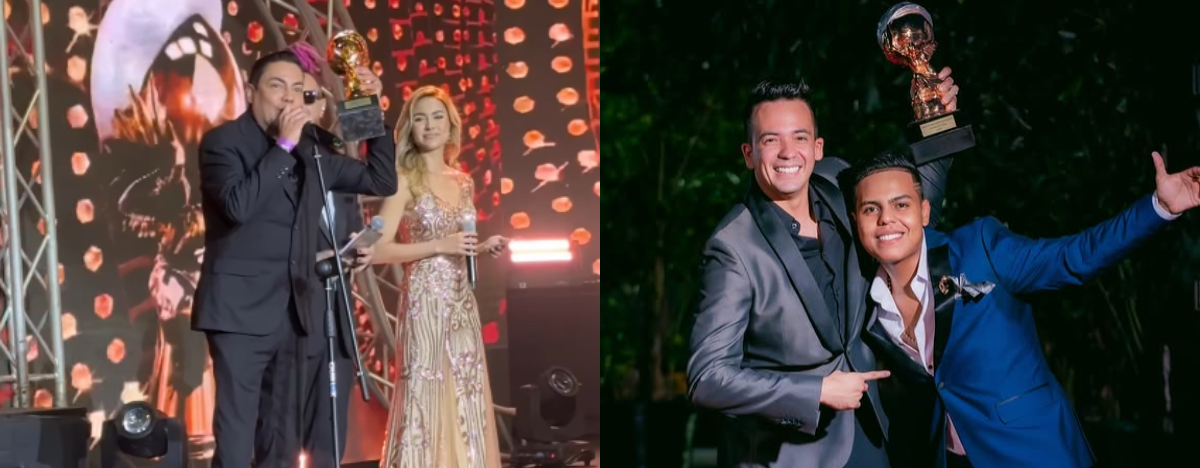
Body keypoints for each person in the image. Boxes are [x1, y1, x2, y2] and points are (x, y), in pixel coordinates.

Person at [849, 151, 1200, 468]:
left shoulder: (979, 248)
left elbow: (1072, 258)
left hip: (1034, 452)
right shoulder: (870, 308)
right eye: (871, 209)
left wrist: (1160, 208)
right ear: (856, 219)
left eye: (901, 205)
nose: (886, 219)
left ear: (924, 211)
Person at [686, 71, 957, 468]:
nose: (786, 152)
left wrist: (938, 121)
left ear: (817, 147)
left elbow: (908, 210)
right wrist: (813, 390)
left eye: (798, 138)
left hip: (875, 439)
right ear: (749, 154)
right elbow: (707, 378)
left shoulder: (837, 180)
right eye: (770, 140)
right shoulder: (732, 248)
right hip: (789, 456)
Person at [192, 49, 397, 468]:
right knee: (236, 434)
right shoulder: (223, 142)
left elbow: (378, 178)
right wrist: (283, 145)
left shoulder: (314, 149)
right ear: (252, 93)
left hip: (298, 311)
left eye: (298, 89)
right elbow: (237, 206)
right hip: (240, 314)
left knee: (282, 436)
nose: (289, 98)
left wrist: (365, 105)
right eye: (277, 86)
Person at [252, 41, 378, 468]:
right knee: (278, 437)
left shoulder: (332, 158)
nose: (303, 106)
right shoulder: (268, 158)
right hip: (285, 320)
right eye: (295, 96)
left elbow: (377, 171)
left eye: (313, 97)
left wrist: (364, 95)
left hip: (332, 316)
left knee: (329, 437)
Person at [371, 85, 507, 468]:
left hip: (462, 303)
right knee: (424, 393)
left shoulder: (463, 181)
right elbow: (378, 250)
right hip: (424, 305)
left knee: (465, 393)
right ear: (409, 128)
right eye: (419, 117)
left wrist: (480, 247)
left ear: (451, 127)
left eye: (436, 117)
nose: (428, 125)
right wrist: (439, 246)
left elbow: (458, 241)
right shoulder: (402, 180)